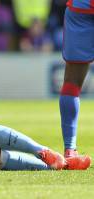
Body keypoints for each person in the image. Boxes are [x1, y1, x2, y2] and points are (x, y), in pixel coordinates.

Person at [60, 0, 94, 158]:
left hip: (82, 8)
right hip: (82, 9)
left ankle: (70, 149)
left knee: (72, 81)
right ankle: (70, 148)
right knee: (72, 82)